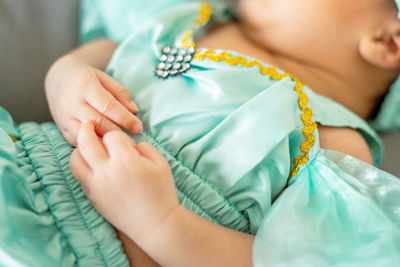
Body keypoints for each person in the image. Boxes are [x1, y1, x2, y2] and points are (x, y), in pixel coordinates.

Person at [1, 0, 400, 266]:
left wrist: (159, 219)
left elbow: (278, 260)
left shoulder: (333, 141)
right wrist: (65, 79)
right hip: (20, 161)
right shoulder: (198, 20)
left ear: (387, 42)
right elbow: (109, 49)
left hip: (76, 251)